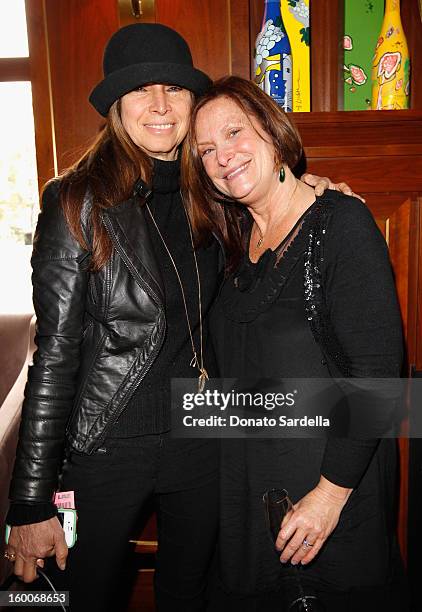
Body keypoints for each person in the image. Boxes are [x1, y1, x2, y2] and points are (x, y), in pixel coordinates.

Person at [4, 24, 356, 612]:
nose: (161, 105)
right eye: (141, 90)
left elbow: (275, 216)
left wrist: (313, 191)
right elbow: (55, 353)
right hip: (106, 442)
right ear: (117, 107)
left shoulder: (214, 195)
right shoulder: (76, 201)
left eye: (175, 89)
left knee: (189, 593)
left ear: (194, 104)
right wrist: (30, 501)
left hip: (202, 429)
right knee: (70, 597)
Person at [183, 75, 408, 611]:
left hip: (327, 502)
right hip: (248, 503)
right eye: (207, 150)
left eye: (235, 132)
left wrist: (329, 498)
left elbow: (377, 375)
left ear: (273, 132)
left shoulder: (341, 224)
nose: (223, 156)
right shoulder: (230, 242)